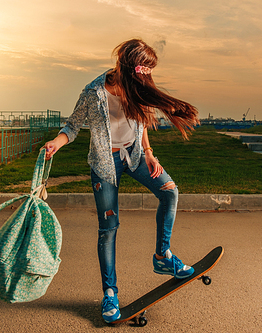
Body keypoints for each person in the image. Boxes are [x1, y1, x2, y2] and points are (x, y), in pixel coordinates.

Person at [43, 38, 199, 323]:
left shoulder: (138, 88)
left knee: (170, 192)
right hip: (105, 163)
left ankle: (163, 256)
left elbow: (142, 122)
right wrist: (56, 142)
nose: (146, 79)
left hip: (136, 156)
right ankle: (110, 294)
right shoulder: (94, 92)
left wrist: (149, 153)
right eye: (143, 72)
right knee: (109, 228)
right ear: (126, 68)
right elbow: (72, 126)